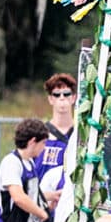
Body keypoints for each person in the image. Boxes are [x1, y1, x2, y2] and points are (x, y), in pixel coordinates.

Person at [36, 73, 77, 210]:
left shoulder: (80, 135)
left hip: (70, 207)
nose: (62, 98)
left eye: (66, 94)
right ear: (50, 99)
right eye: (56, 94)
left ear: (74, 98)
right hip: (42, 207)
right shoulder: (40, 135)